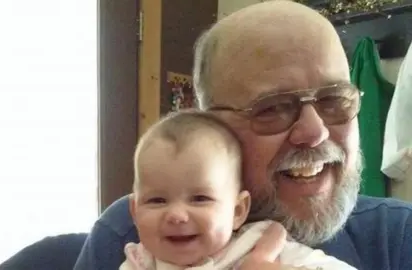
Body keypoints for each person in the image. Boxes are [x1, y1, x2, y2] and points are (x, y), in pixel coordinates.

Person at [73, 1, 412, 269]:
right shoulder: (137, 233)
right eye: (273, 107)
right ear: (210, 127)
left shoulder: (396, 238)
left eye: (335, 100)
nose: (315, 131)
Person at [120, 110, 356, 269]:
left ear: (237, 211)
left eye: (200, 198)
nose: (176, 215)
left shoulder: (257, 246)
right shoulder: (139, 262)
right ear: (134, 211)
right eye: (157, 200)